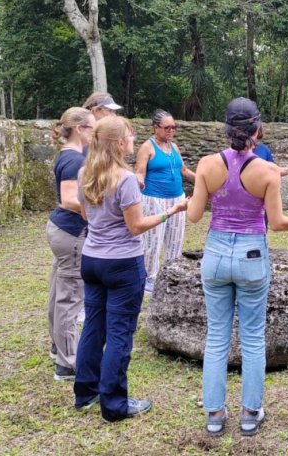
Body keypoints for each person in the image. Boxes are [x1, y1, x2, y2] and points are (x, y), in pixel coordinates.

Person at [187, 98, 288, 438]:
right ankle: (250, 412)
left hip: (216, 252)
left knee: (217, 336)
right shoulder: (266, 171)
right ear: (256, 128)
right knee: (252, 337)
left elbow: (193, 215)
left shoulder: (207, 164)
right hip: (251, 253)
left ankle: (215, 413)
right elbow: (276, 223)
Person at [74, 116, 188, 422]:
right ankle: (114, 404)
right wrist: (171, 212)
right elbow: (136, 226)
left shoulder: (85, 172)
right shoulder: (123, 179)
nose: (133, 140)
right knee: (120, 333)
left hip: (92, 260)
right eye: (129, 136)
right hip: (122, 263)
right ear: (118, 143)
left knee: (93, 327)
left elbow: (86, 215)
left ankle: (85, 393)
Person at [46, 107, 95, 381]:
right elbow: (68, 200)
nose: (94, 133)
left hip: (62, 230)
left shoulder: (67, 156)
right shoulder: (75, 160)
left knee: (59, 291)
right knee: (69, 296)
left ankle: (58, 348)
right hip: (71, 233)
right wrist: (99, 204)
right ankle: (68, 362)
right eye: (91, 128)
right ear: (78, 128)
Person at [134, 109, 196, 293]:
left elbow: (184, 171)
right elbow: (139, 172)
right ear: (156, 128)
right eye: (167, 127)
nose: (171, 131)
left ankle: (171, 274)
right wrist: (137, 182)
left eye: (173, 127)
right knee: (153, 240)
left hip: (177, 198)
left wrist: (205, 181)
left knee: (175, 239)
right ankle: (149, 278)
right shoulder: (147, 147)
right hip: (154, 199)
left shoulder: (174, 147)